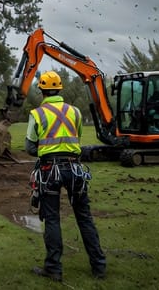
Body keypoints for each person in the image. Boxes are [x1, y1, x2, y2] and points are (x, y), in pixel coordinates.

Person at [25, 71, 107, 282]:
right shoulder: (76, 112)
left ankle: (53, 268)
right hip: (74, 169)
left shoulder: (37, 114)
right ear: (60, 89)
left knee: (52, 218)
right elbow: (74, 140)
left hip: (49, 171)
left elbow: (29, 147)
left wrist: (45, 151)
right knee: (84, 216)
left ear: (41, 90)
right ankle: (99, 266)